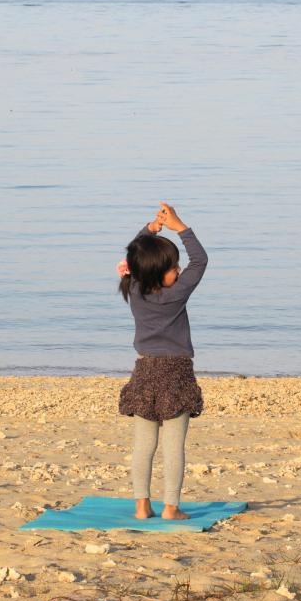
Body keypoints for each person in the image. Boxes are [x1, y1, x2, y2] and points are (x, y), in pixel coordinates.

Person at [116, 202, 207, 520]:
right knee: (173, 446)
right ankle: (171, 507)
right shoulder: (175, 295)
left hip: (144, 372)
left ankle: (141, 505)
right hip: (176, 373)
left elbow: (134, 256)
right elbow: (200, 260)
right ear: (157, 272)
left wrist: (150, 230)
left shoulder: (135, 289)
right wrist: (179, 226)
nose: (178, 271)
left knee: (143, 444)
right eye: (173, 268)